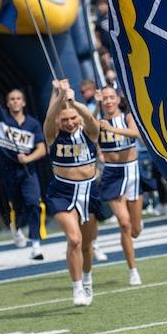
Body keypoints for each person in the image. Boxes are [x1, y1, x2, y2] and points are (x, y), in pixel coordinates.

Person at [0, 56, 48, 259]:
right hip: (8, 171)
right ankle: (16, 230)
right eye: (12, 99)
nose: (15, 101)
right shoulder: (1, 118)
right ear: (7, 103)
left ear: (23, 102)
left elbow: (42, 148)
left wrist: (29, 158)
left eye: (18, 98)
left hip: (28, 171)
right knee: (16, 207)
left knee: (34, 204)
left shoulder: (33, 124)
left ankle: (36, 245)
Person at [44, 79, 102, 305]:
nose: (69, 123)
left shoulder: (90, 133)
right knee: (74, 240)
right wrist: (59, 97)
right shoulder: (53, 135)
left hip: (89, 192)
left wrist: (73, 101)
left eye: (72, 119)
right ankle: (77, 288)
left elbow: (89, 118)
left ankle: (87, 279)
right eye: (65, 119)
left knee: (87, 245)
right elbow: (49, 118)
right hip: (62, 192)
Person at [98, 86, 144, 286]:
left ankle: (137, 224)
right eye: (105, 98)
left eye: (111, 97)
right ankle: (133, 270)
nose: (108, 101)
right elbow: (89, 129)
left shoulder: (126, 117)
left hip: (132, 171)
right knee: (124, 224)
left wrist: (112, 129)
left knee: (135, 230)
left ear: (117, 99)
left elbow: (136, 133)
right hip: (112, 173)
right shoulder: (98, 121)